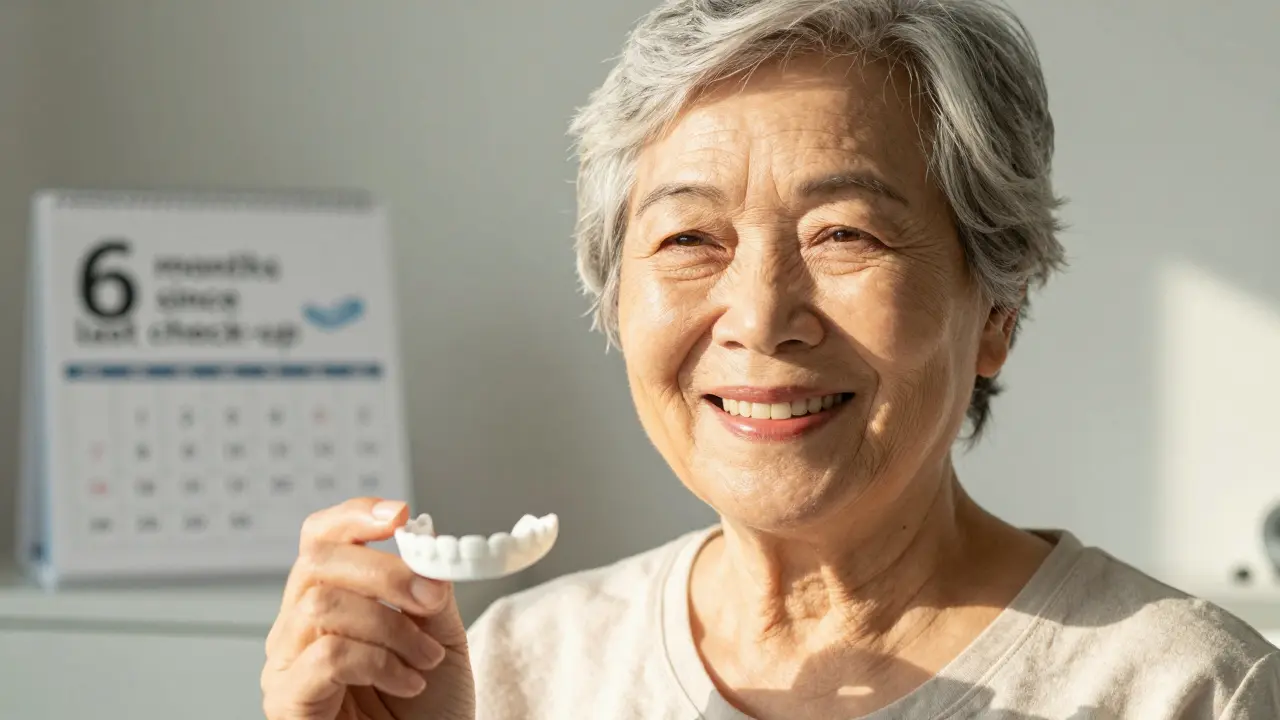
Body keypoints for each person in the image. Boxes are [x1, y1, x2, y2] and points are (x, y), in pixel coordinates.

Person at [260, 1, 1280, 718]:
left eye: (845, 235)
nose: (757, 315)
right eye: (688, 239)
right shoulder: (510, 673)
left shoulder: (1182, 693)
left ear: (996, 311)